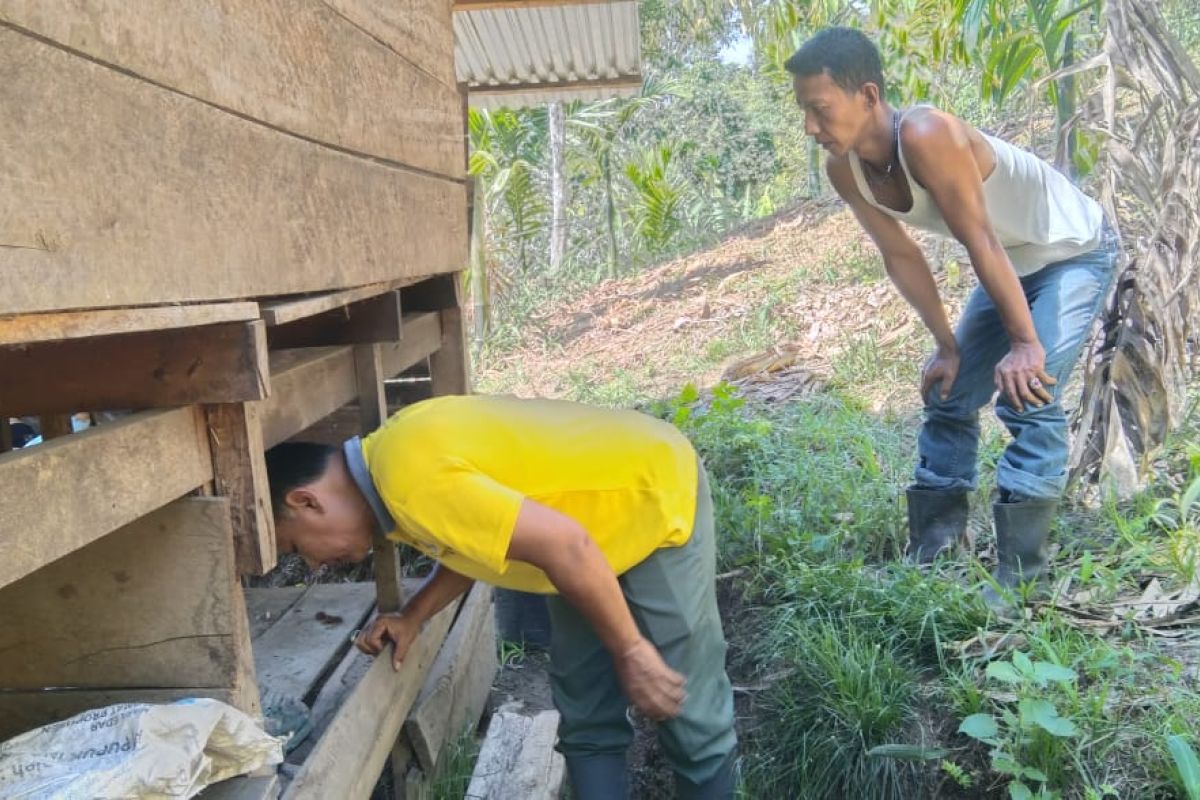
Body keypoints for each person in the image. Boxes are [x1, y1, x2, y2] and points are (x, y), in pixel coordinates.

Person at [786, 28, 1120, 602]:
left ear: (867, 95)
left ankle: (1020, 579)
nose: (810, 127)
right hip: (1009, 263)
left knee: (1029, 390)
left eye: (819, 109)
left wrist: (1024, 344)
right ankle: (937, 548)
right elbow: (901, 254)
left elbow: (980, 240)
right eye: (804, 112)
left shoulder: (926, 133)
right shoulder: (846, 168)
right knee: (948, 392)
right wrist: (947, 345)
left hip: (1072, 252)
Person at [265, 394, 737, 799]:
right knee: (585, 707)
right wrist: (414, 614)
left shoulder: (409, 482)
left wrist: (632, 649)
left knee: (683, 697)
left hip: (647, 493)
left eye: (293, 546)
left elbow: (566, 545)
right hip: (579, 539)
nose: (310, 562)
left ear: (306, 501)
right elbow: (476, 540)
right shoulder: (391, 465)